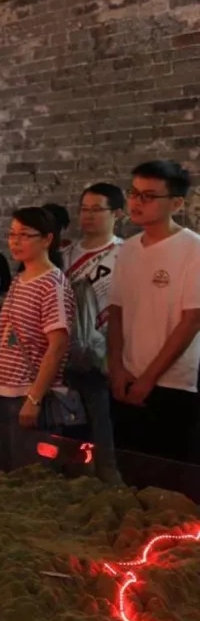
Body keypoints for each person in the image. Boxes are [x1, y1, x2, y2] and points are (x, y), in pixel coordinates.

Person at [109, 161, 200, 496]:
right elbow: (116, 312)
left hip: (172, 385)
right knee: (132, 474)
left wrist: (148, 379)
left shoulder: (192, 249)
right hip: (126, 379)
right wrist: (116, 368)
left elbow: (191, 321)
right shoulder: (128, 249)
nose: (136, 202)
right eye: (134, 193)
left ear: (176, 203)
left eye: (148, 196)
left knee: (172, 484)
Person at [0, 207, 76, 471]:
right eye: (12, 234)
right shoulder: (20, 279)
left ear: (47, 239)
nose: (16, 241)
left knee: (32, 474)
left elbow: (58, 346)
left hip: (30, 394)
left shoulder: (52, 284)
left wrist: (34, 398)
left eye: (25, 235)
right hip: (6, 390)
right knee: (7, 469)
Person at [61, 183, 125, 484]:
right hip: (63, 356)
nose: (88, 216)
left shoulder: (125, 254)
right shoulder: (64, 254)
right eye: (84, 209)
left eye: (96, 210)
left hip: (106, 357)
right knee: (67, 429)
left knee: (103, 427)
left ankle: (109, 482)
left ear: (117, 214)